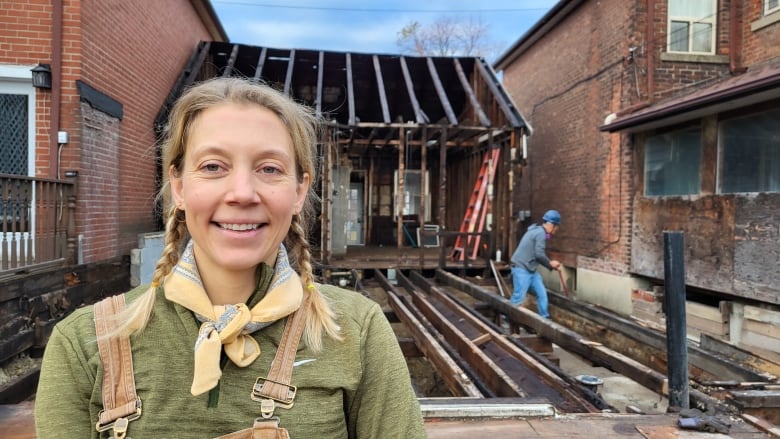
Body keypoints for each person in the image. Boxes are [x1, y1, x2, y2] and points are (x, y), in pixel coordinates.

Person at [35, 77, 426, 438]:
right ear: (179, 185)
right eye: (213, 166)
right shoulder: (87, 342)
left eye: (269, 168)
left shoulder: (356, 331)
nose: (242, 192)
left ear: (299, 191)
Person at [509, 210, 562, 319]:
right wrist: (550, 264)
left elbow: (538, 253)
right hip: (521, 269)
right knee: (518, 298)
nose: (556, 230)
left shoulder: (537, 231)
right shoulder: (540, 234)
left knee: (542, 294)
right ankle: (506, 320)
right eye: (556, 227)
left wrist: (549, 264)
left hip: (530, 270)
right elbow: (539, 254)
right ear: (552, 225)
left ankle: (544, 320)